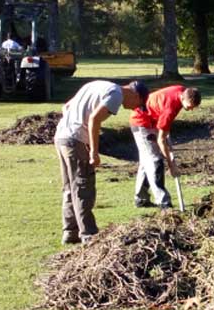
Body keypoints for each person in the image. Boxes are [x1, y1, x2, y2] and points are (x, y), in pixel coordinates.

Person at [53, 79, 147, 244]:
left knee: (70, 187)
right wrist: (94, 152)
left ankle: (70, 232)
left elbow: (66, 107)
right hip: (75, 141)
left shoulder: (97, 85)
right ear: (136, 95)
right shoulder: (116, 94)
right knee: (83, 186)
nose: (134, 108)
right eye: (138, 104)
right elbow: (94, 120)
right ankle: (88, 234)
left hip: (61, 136)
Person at [130, 85, 202, 209]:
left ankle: (141, 199)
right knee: (155, 161)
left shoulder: (182, 90)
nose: (190, 110)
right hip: (141, 122)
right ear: (184, 99)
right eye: (190, 107)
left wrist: (165, 131)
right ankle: (163, 202)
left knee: (146, 161)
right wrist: (171, 165)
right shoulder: (170, 109)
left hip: (152, 119)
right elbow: (161, 140)